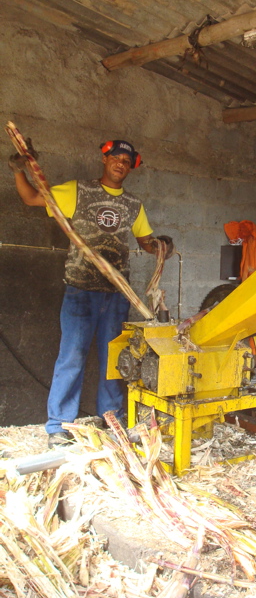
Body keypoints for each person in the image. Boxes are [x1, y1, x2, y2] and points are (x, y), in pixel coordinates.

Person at [9, 139, 173, 448]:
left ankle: (112, 419)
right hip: (81, 291)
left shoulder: (133, 204)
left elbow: (146, 242)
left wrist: (161, 246)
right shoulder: (79, 191)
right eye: (116, 158)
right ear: (105, 159)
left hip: (117, 293)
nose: (121, 164)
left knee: (115, 360)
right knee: (72, 356)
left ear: (131, 167)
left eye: (127, 161)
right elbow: (31, 197)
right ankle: (59, 426)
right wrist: (19, 170)